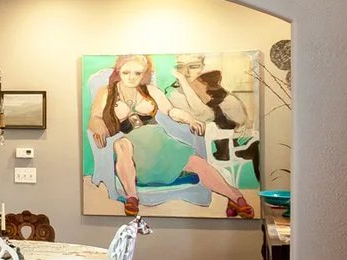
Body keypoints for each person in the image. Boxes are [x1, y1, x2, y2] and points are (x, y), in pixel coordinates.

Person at [88, 54, 254, 218]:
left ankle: (236, 198)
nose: (131, 77)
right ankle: (132, 197)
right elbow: (94, 118)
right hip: (129, 140)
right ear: (118, 71)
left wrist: (190, 120)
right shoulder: (107, 92)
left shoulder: (150, 91)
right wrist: (99, 126)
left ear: (144, 73)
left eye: (137, 73)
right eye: (126, 72)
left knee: (196, 162)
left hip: (158, 139)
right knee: (122, 145)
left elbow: (171, 111)